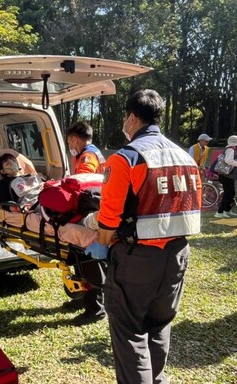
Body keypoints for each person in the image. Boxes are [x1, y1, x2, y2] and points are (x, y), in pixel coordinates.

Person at [90, 89, 201, 383]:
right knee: (159, 324)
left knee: (129, 333)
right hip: (177, 256)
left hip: (136, 260)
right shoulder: (185, 157)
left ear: (131, 117)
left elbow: (108, 221)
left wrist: (99, 239)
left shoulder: (125, 158)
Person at [64, 121, 106, 325]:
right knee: (79, 254)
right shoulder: (87, 153)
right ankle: (83, 298)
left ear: (75, 139)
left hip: (91, 210)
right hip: (91, 207)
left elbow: (83, 180)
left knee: (88, 257)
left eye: (70, 140)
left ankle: (95, 308)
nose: (70, 144)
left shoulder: (88, 156)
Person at [214, 135, 237, 218]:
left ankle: (227, 210)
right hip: (226, 175)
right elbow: (228, 160)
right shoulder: (231, 149)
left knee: (231, 193)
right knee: (228, 194)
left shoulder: (229, 149)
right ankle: (220, 212)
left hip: (227, 175)